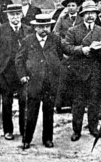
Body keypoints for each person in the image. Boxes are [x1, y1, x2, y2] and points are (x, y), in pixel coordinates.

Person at [15, 13, 65, 149]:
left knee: (49, 112)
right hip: (34, 82)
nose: (44, 29)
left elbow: (59, 56)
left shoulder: (55, 39)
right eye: (41, 26)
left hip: (50, 82)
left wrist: (55, 70)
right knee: (31, 112)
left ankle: (48, 139)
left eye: (47, 26)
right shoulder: (28, 40)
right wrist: (23, 75)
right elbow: (19, 60)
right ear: (35, 28)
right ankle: (27, 139)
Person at [62, 1, 101, 141]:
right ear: (82, 15)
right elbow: (66, 47)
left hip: (95, 71)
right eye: (87, 14)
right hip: (78, 72)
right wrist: (82, 49)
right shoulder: (73, 30)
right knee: (78, 103)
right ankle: (76, 130)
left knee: (95, 102)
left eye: (93, 13)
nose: (90, 16)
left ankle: (93, 128)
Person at [0, 3, 30, 140]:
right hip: (6, 71)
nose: (15, 17)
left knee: (24, 100)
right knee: (6, 102)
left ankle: (24, 129)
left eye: (17, 14)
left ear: (21, 15)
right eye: (12, 14)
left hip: (23, 71)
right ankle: (8, 130)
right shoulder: (0, 30)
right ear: (8, 16)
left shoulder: (28, 30)